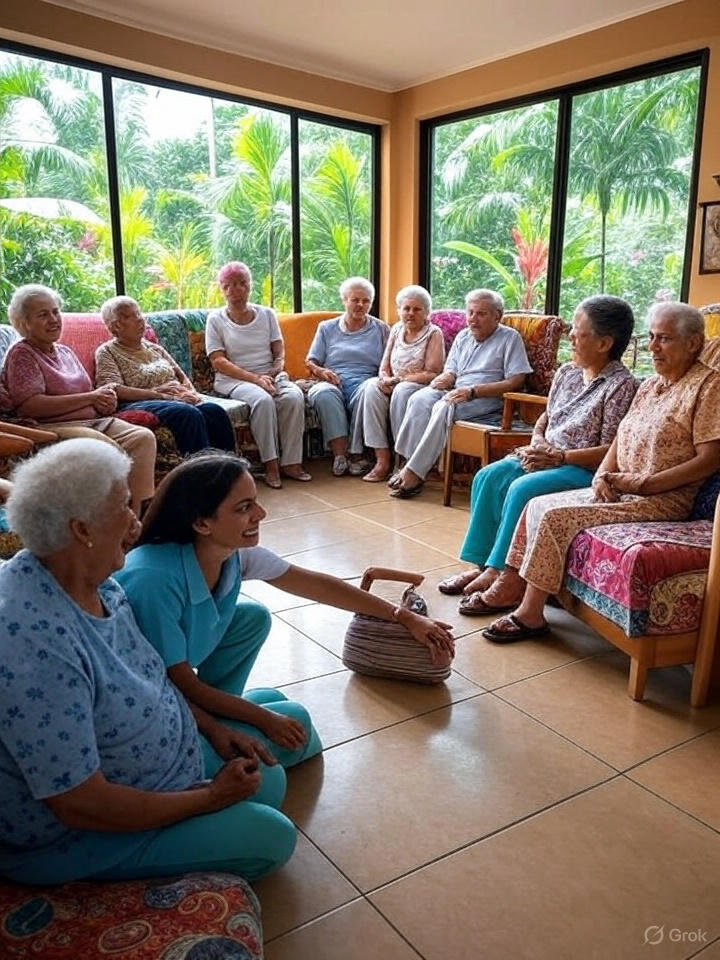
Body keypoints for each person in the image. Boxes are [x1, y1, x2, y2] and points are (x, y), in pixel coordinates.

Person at [0, 439, 296, 885]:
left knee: (270, 780)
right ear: (83, 530)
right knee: (271, 836)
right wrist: (210, 798)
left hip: (165, 761)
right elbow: (81, 803)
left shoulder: (100, 582)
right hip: (76, 833)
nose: (137, 518)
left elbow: (157, 679)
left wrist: (216, 730)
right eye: (124, 504)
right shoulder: (32, 645)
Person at [117, 451, 455, 762]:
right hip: (151, 708)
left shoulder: (228, 553)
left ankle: (223, 710)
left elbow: (316, 585)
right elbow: (175, 685)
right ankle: (216, 725)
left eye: (256, 503)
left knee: (254, 623)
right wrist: (256, 721)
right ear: (202, 523)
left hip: (181, 691)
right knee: (276, 765)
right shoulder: (153, 579)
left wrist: (404, 616)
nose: (260, 514)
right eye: (244, 507)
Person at [483, 301, 720, 642]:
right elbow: (619, 438)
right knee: (537, 504)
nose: (652, 347)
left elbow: (710, 458)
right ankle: (518, 586)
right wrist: (601, 476)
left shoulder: (709, 386)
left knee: (555, 517)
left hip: (662, 499)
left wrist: (646, 483)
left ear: (693, 343)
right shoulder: (653, 384)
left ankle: (530, 614)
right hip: (622, 488)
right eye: (651, 337)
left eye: (664, 339)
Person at [438, 295, 637, 614]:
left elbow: (613, 448)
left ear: (604, 343)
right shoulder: (568, 373)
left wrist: (558, 458)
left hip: (582, 467)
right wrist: (538, 442)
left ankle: (504, 575)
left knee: (522, 488)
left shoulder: (622, 385)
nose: (570, 336)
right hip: (545, 454)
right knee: (489, 476)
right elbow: (547, 416)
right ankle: (481, 565)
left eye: (578, 331)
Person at [1, 284, 155, 514]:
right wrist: (90, 397)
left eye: (55, 312)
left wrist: (105, 401)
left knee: (143, 437)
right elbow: (31, 405)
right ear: (23, 323)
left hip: (92, 420)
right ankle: (115, 518)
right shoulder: (22, 354)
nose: (54, 319)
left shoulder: (64, 352)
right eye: (43, 315)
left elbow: (90, 391)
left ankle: (142, 514)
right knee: (105, 449)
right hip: (53, 424)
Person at [389, 289, 532, 499]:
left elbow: (516, 380)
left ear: (497, 315)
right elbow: (452, 369)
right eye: (470, 313)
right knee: (419, 398)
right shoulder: (463, 336)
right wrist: (446, 378)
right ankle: (407, 461)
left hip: (487, 398)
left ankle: (414, 473)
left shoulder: (510, 338)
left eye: (481, 314)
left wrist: (474, 391)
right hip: (457, 391)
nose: (473, 319)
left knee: (444, 407)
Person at [205, 261, 310, 489]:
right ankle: (270, 465)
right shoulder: (216, 319)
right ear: (221, 289)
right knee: (262, 401)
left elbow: (278, 349)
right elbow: (218, 361)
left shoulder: (266, 314)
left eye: (242, 283)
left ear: (250, 286)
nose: (236, 289)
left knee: (293, 397)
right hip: (235, 379)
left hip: (270, 375)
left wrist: (275, 370)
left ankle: (291, 463)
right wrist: (256, 379)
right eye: (229, 285)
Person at [96, 296, 236, 456]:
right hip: (139, 402)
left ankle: (229, 472)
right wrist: (160, 394)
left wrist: (191, 393)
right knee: (187, 413)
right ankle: (200, 474)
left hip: (172, 399)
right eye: (129, 316)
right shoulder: (107, 352)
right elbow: (113, 389)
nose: (139, 320)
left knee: (214, 411)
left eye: (138, 313)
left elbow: (180, 375)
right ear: (115, 327)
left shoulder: (155, 348)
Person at [349, 285, 445, 482]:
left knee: (402, 391)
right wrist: (384, 378)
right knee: (370, 387)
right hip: (394, 381)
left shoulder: (434, 333)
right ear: (399, 310)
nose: (410, 313)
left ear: (427, 312)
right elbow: (384, 364)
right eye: (406, 308)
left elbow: (432, 373)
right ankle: (382, 459)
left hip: (419, 385)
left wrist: (399, 380)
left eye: (417, 309)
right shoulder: (396, 329)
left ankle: (402, 460)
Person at [306, 277, 389, 476]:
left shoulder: (382, 329)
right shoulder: (327, 327)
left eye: (366, 300)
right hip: (332, 380)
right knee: (322, 393)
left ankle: (355, 453)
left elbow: (389, 362)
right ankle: (340, 455)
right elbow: (311, 361)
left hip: (366, 380)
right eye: (355, 300)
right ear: (344, 300)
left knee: (371, 389)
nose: (361, 305)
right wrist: (322, 372)